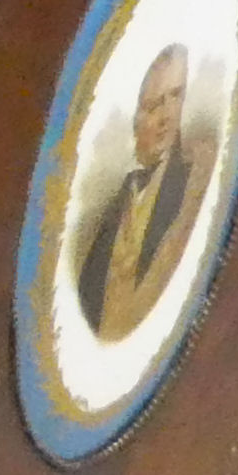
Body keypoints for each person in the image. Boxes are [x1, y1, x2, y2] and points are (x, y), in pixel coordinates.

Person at [73, 39, 209, 343]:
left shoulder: (194, 184)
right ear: (137, 122)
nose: (165, 117)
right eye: (152, 106)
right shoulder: (124, 195)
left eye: (175, 97)